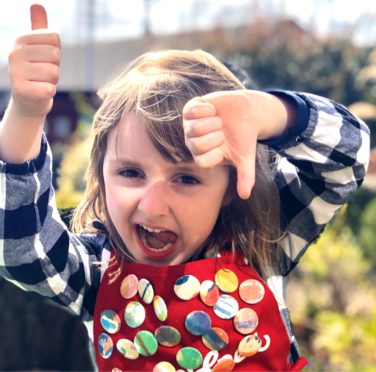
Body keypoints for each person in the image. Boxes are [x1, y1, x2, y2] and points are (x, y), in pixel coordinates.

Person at [0, 4, 370, 372]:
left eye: (187, 178)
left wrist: (268, 113)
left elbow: (347, 156)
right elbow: (21, 250)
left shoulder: (265, 240)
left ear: (228, 186)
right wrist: (26, 115)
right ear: (100, 173)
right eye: (130, 173)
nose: (154, 206)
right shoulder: (97, 271)